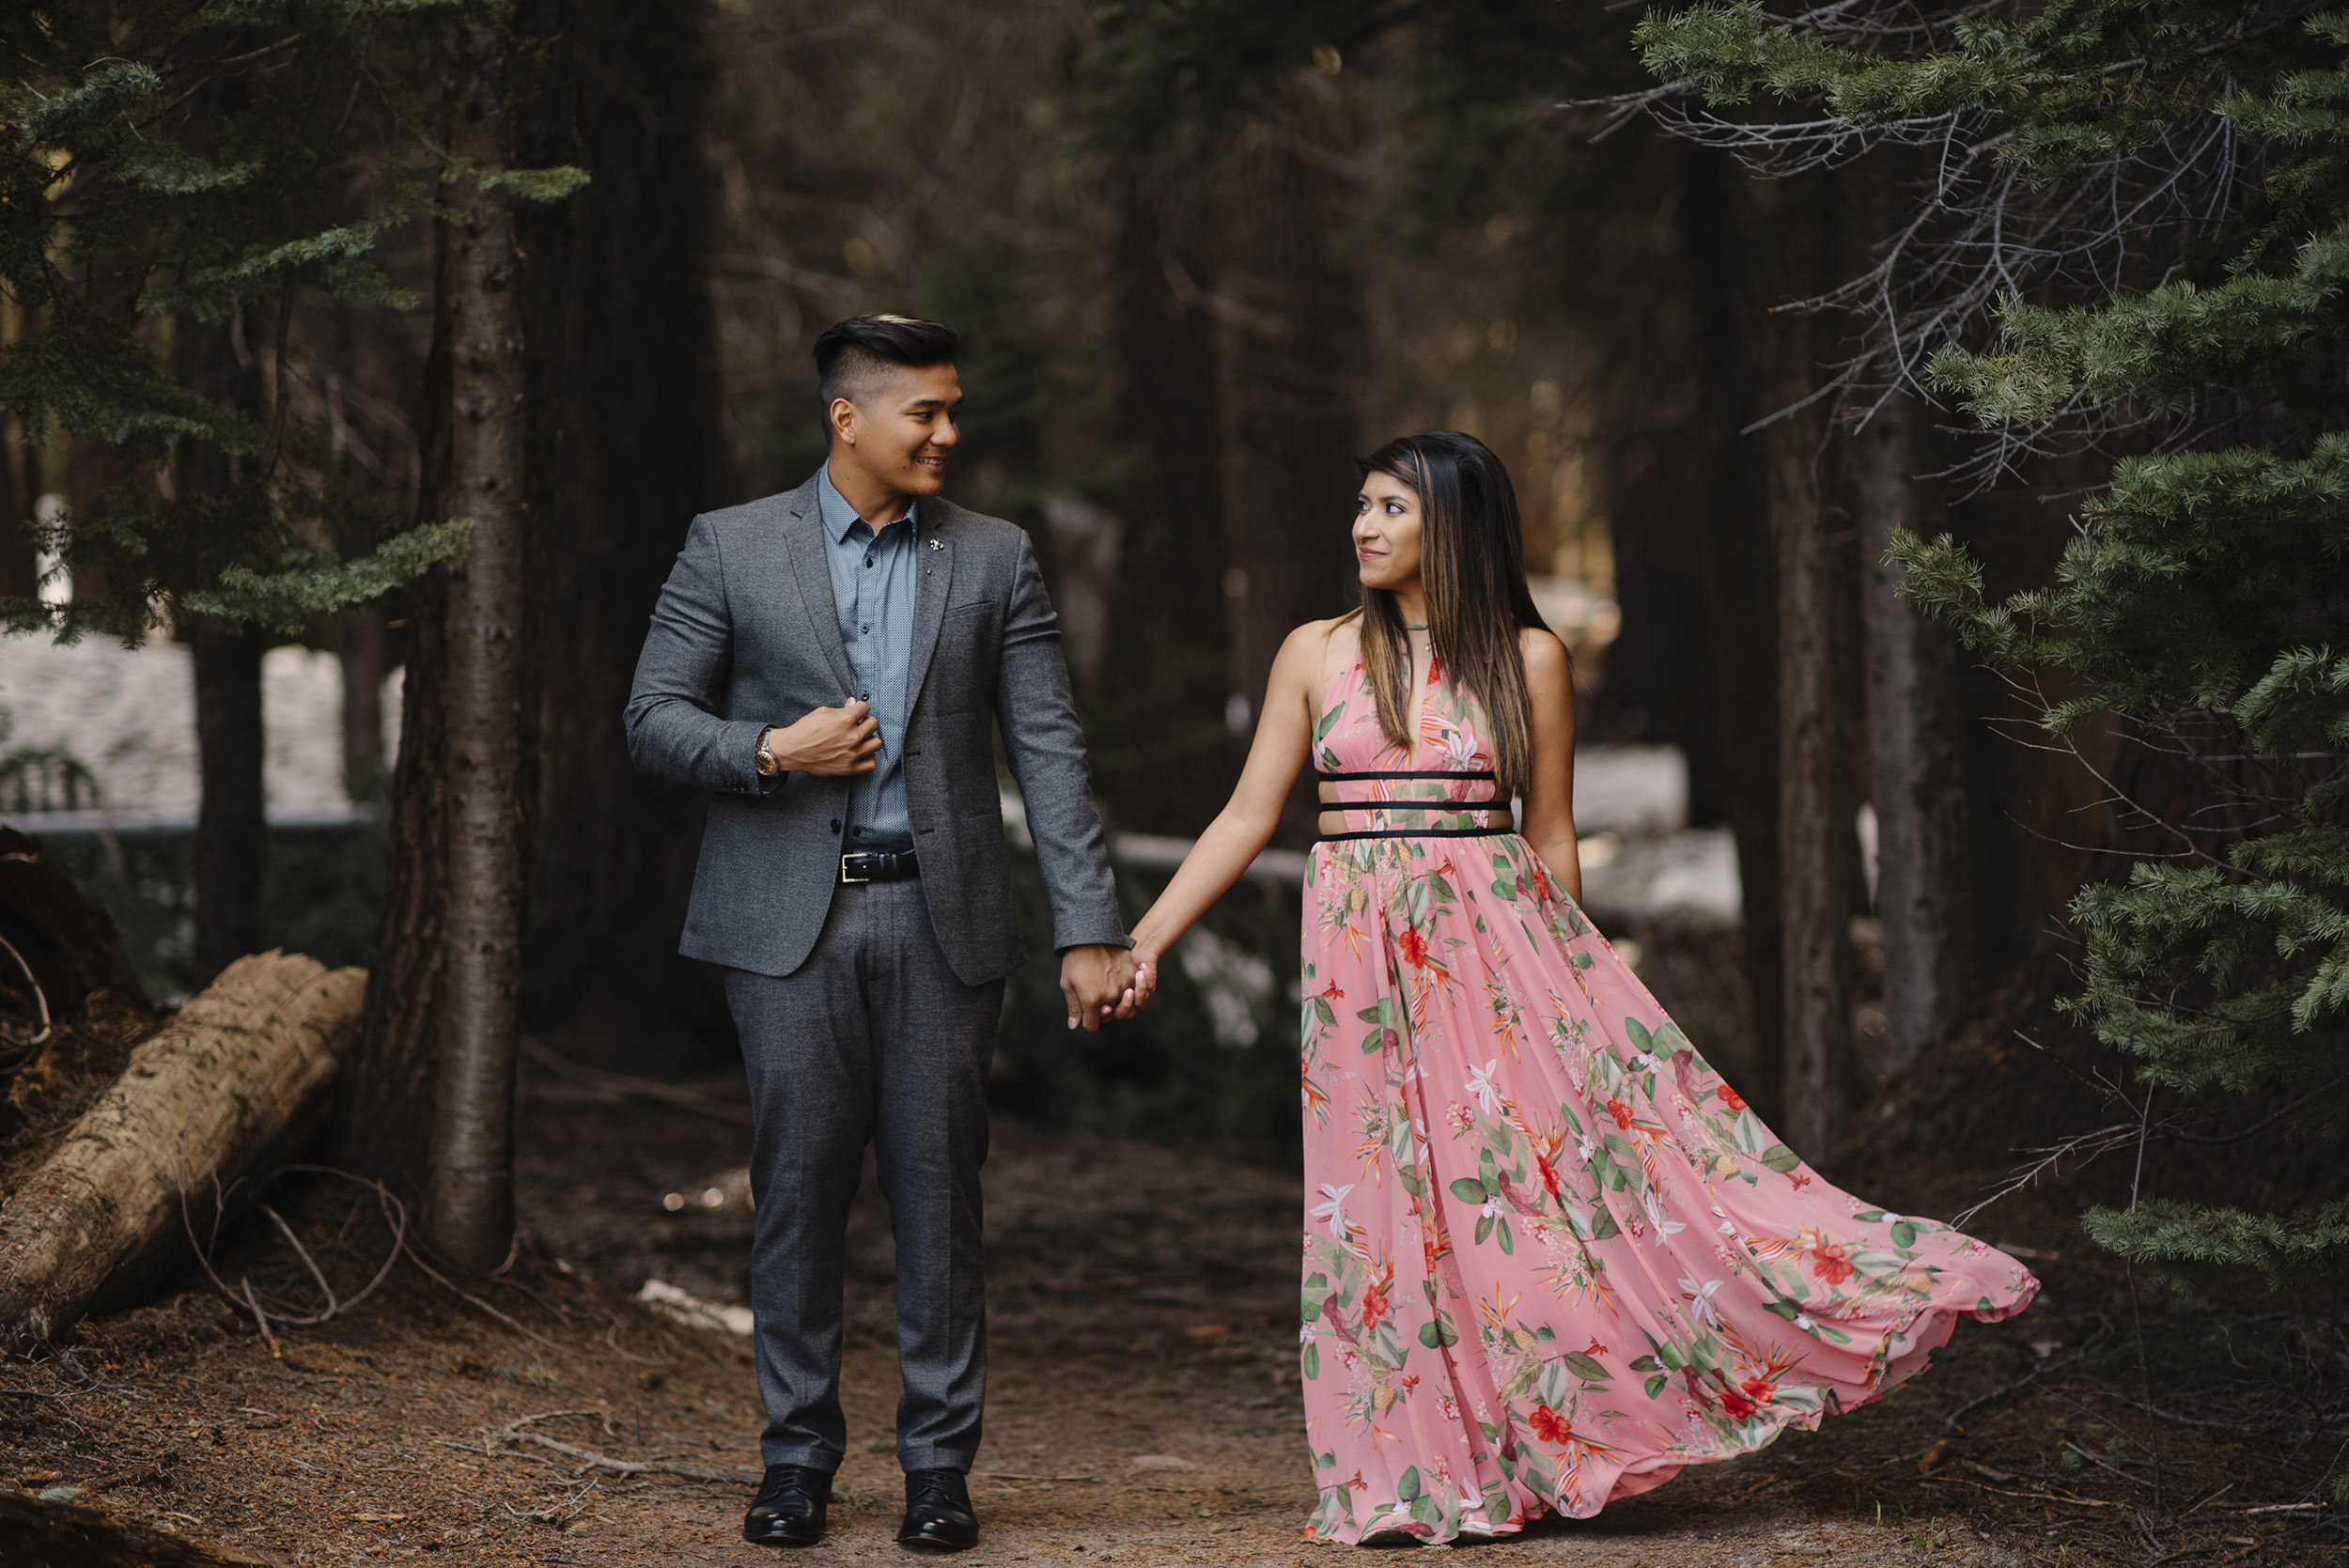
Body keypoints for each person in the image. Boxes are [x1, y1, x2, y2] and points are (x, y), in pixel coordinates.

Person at [1123, 431, 2039, 1545]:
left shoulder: (1526, 657)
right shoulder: (1313, 651)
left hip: (1496, 963)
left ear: (1451, 526)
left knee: (1513, 1205)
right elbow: (1243, 814)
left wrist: (1568, 999)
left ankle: (1564, 1441)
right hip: (1357, 969)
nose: (1362, 527)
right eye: (1359, 506)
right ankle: (1411, 1473)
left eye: (1389, 509)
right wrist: (1148, 937)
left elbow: (1546, 832)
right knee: (1380, 1207)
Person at [625, 314, 1139, 1553]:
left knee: (938, 1197)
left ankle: (937, 1470)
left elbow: (1050, 749)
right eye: (927, 412)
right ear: (846, 416)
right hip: (782, 926)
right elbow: (650, 716)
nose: (950, 433)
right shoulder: (731, 545)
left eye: (955, 409)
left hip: (943, 918)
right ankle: (796, 1461)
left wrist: (1089, 925)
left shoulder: (998, 557)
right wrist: (769, 749)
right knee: (796, 1194)